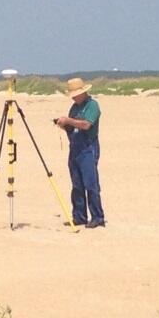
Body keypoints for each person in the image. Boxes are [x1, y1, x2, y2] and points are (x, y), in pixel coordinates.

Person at [54, 76, 105, 228]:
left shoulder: (92, 105)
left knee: (91, 184)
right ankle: (79, 216)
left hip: (88, 148)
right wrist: (63, 124)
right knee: (77, 185)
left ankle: (97, 217)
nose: (74, 98)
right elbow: (73, 126)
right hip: (75, 148)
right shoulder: (74, 107)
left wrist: (68, 121)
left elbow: (86, 124)